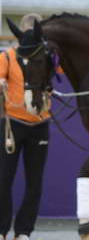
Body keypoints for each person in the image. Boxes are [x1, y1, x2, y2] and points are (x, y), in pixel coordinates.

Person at [0, 14, 50, 240]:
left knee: (34, 182)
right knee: (3, 178)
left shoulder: (47, 56)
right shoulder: (8, 56)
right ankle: (2, 228)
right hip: (13, 124)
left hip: (39, 124)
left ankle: (23, 231)